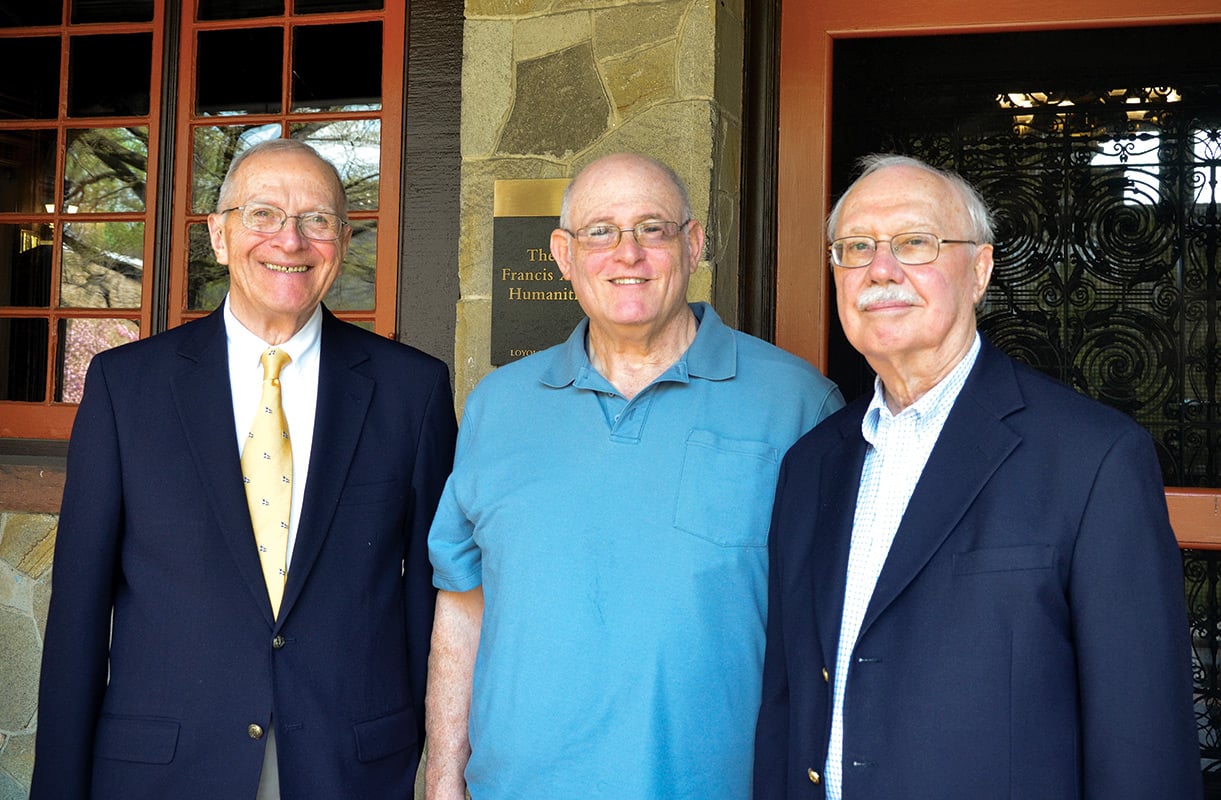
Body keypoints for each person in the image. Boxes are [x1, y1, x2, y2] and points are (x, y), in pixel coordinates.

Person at [754, 153, 1201, 799]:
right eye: (854, 248)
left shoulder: (1091, 458)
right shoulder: (811, 464)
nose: (880, 270)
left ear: (979, 270)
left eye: (914, 242)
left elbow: (1141, 736)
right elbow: (787, 701)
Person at [31, 138, 457, 799]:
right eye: (262, 214)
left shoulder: (413, 392)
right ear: (220, 236)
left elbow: (428, 596)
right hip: (165, 766)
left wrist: (436, 759)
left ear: (341, 240)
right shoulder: (127, 387)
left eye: (316, 219)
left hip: (351, 766)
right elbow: (79, 609)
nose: (290, 240)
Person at [424, 152, 843, 799]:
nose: (628, 254)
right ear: (562, 254)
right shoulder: (497, 404)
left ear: (694, 243)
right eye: (600, 232)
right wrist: (445, 779)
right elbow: (461, 602)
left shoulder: (795, 403)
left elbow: (831, 632)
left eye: (652, 228)